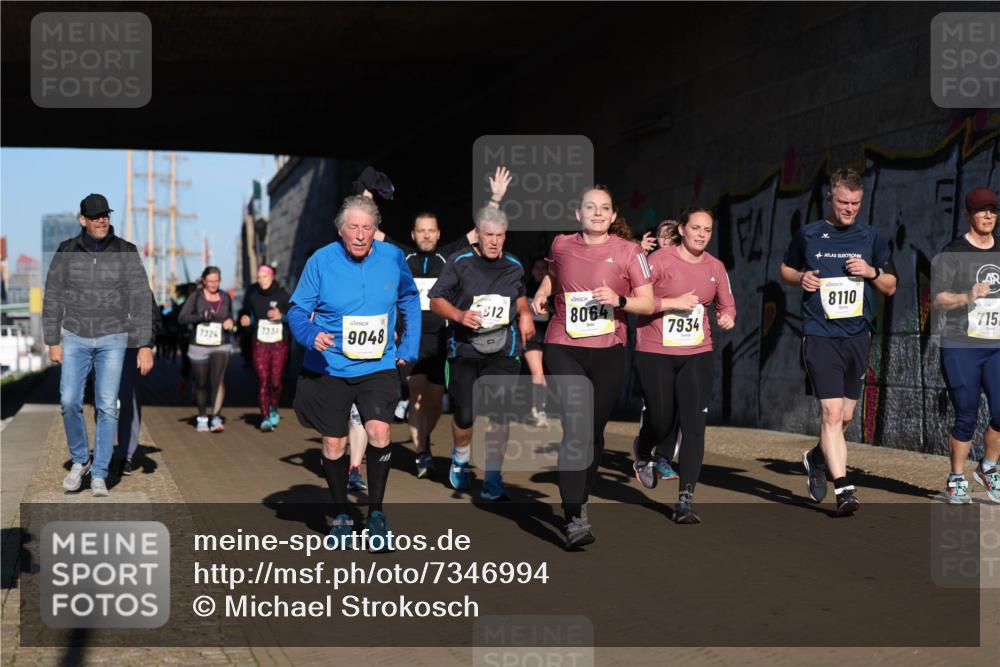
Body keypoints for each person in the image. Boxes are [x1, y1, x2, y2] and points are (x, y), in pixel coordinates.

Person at [289, 194, 420, 551]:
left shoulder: (392, 257)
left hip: (378, 364)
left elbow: (409, 298)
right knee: (334, 443)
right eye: (353, 227)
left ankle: (376, 514)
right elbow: (297, 310)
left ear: (375, 229)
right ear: (340, 230)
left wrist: (409, 345)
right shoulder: (321, 261)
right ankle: (341, 514)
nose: (360, 235)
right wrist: (311, 334)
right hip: (331, 366)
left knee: (379, 430)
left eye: (367, 227)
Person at [532, 186, 655, 548]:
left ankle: (581, 495)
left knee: (593, 432)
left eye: (604, 208)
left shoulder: (630, 251)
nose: (598, 213)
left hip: (608, 350)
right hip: (563, 345)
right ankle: (574, 516)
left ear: (613, 216)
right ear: (578, 213)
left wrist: (619, 300)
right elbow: (554, 274)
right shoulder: (561, 244)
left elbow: (647, 302)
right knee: (576, 426)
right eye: (591, 207)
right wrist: (543, 291)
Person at [780, 167, 897, 516]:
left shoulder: (870, 237)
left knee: (845, 418)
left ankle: (816, 458)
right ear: (830, 198)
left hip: (857, 335)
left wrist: (872, 272)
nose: (850, 209)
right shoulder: (809, 235)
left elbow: (891, 285)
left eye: (856, 203)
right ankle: (844, 489)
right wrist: (801, 277)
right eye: (844, 202)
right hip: (820, 333)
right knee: (830, 413)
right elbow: (785, 270)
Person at [42, 193, 154, 497]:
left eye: (105, 215)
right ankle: (81, 460)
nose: (102, 220)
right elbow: (53, 296)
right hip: (75, 336)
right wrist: (52, 340)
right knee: (69, 400)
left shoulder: (126, 251)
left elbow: (141, 299)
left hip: (113, 337)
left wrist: (145, 343)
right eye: (95, 217)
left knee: (107, 405)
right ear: (83, 220)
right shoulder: (66, 250)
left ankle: (100, 473)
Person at [632, 208, 736, 522]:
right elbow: (635, 300)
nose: (701, 235)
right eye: (696, 228)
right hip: (656, 352)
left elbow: (727, 304)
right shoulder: (659, 260)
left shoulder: (715, 267)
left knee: (694, 426)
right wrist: (672, 303)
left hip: (697, 353)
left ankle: (685, 501)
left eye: (707, 230)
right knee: (661, 419)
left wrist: (727, 316)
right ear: (682, 229)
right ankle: (644, 449)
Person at [429, 206, 533, 500]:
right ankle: (460, 459)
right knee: (466, 414)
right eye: (489, 235)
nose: (494, 241)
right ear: (478, 234)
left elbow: (519, 294)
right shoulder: (459, 261)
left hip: (503, 349)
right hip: (465, 348)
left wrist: (525, 313)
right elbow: (435, 300)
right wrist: (460, 315)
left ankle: (493, 477)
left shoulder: (514, 265)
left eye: (500, 236)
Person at [931, 186, 1000, 503]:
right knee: (967, 415)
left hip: (996, 346)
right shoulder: (953, 252)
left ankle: (988, 467)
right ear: (968, 214)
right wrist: (967, 296)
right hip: (961, 346)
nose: (988, 215)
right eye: (981, 210)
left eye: (993, 210)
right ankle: (957, 478)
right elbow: (939, 299)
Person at [178, 267, 235, 433]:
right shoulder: (195, 296)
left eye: (216, 281)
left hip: (221, 344)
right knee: (201, 383)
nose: (213, 284)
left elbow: (229, 316)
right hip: (199, 345)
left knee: (217, 380)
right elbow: (182, 318)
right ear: (203, 281)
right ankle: (202, 417)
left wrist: (230, 321)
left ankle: (216, 417)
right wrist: (200, 317)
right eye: (210, 281)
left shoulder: (225, 297)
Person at [238, 264, 292, 432]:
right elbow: (251, 316)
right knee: (263, 380)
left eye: (265, 277)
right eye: (259, 277)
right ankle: (265, 417)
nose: (261, 280)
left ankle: (273, 407)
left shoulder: (283, 295)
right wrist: (247, 320)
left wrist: (281, 316)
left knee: (275, 382)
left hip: (279, 344)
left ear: (272, 277)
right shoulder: (254, 297)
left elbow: (295, 317)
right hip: (260, 343)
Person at [116, 294, 163, 476]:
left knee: (129, 399)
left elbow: (153, 316)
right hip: (100, 348)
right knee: (102, 402)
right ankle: (104, 451)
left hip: (130, 347)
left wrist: (146, 345)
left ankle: (126, 455)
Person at [524, 256, 551, 428]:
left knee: (545, 376)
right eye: (537, 267)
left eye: (544, 267)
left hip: (550, 336)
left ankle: (539, 407)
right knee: (538, 373)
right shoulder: (524, 288)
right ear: (532, 270)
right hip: (532, 337)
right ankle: (538, 411)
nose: (540, 271)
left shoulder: (553, 289)